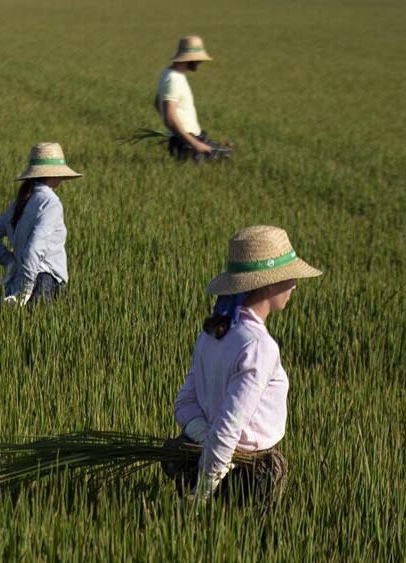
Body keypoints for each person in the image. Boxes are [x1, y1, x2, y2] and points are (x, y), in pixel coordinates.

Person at [164, 226, 323, 506]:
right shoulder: (258, 346)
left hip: (205, 456)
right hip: (245, 477)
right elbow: (230, 424)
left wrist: (203, 440)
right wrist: (204, 488)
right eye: (290, 278)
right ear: (270, 284)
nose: (295, 285)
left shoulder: (212, 332)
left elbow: (184, 403)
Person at [0, 143, 82, 306]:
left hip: (20, 279)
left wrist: (11, 262)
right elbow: (35, 248)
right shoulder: (51, 203)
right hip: (43, 282)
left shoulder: (22, 200)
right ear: (55, 175)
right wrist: (26, 289)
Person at [155, 36, 230, 161]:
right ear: (189, 59)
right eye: (198, 60)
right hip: (187, 144)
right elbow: (170, 118)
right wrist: (195, 144)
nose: (201, 63)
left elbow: (157, 104)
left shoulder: (168, 73)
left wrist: (173, 132)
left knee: (226, 153)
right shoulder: (174, 80)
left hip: (186, 139)